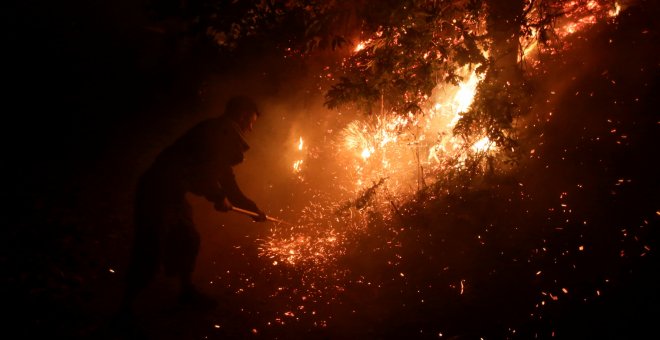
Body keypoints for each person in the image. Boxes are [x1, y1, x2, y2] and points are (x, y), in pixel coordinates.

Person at [118, 95, 267, 315]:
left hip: (173, 192)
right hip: (157, 190)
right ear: (243, 115)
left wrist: (253, 209)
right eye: (251, 122)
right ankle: (124, 310)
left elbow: (227, 182)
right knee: (149, 248)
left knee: (188, 238)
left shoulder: (222, 132)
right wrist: (217, 197)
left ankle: (185, 292)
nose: (251, 129)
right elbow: (203, 176)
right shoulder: (219, 132)